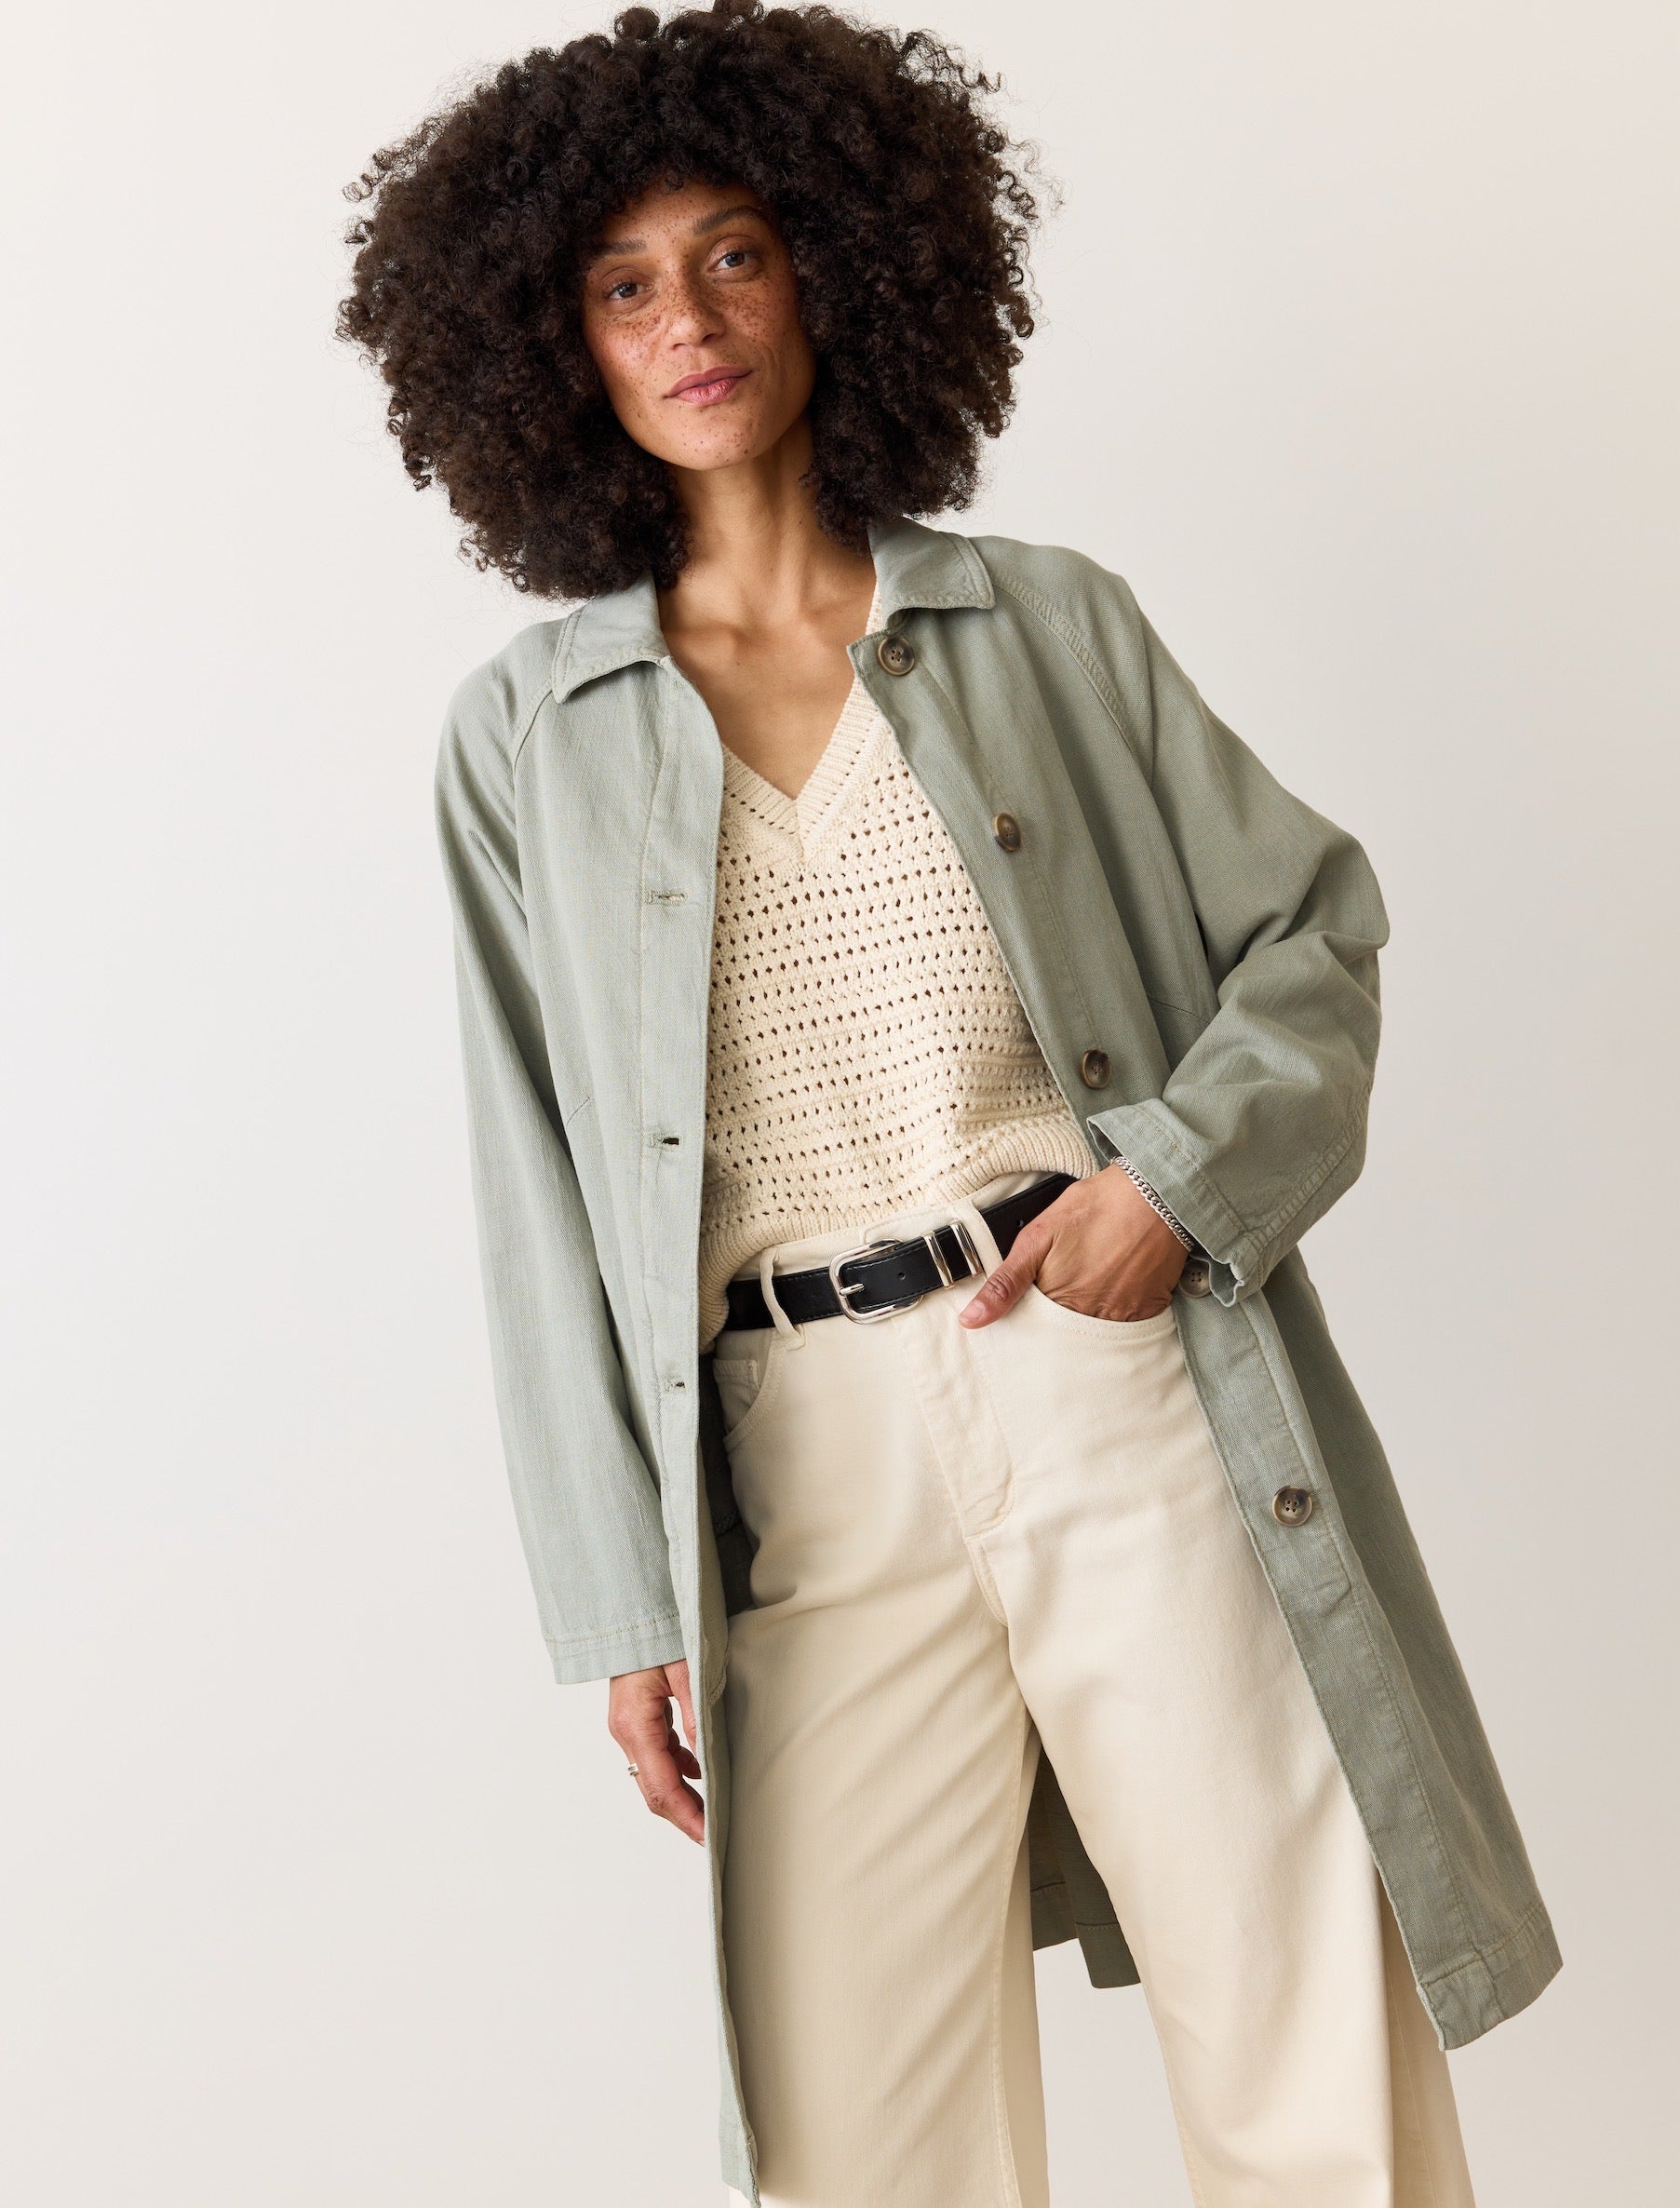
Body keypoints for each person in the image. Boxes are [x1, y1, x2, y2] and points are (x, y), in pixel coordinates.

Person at [339, 5, 1559, 2201]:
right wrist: (617, 1596)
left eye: (734, 255)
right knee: (854, 2127)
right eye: (623, 284)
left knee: (1294, 2022)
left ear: (834, 268)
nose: (689, 321)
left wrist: (1175, 1186)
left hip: (1116, 1382)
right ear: (551, 344)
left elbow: (1311, 930)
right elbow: (531, 1180)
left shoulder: (1044, 626)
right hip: (799, 1455)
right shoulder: (529, 735)